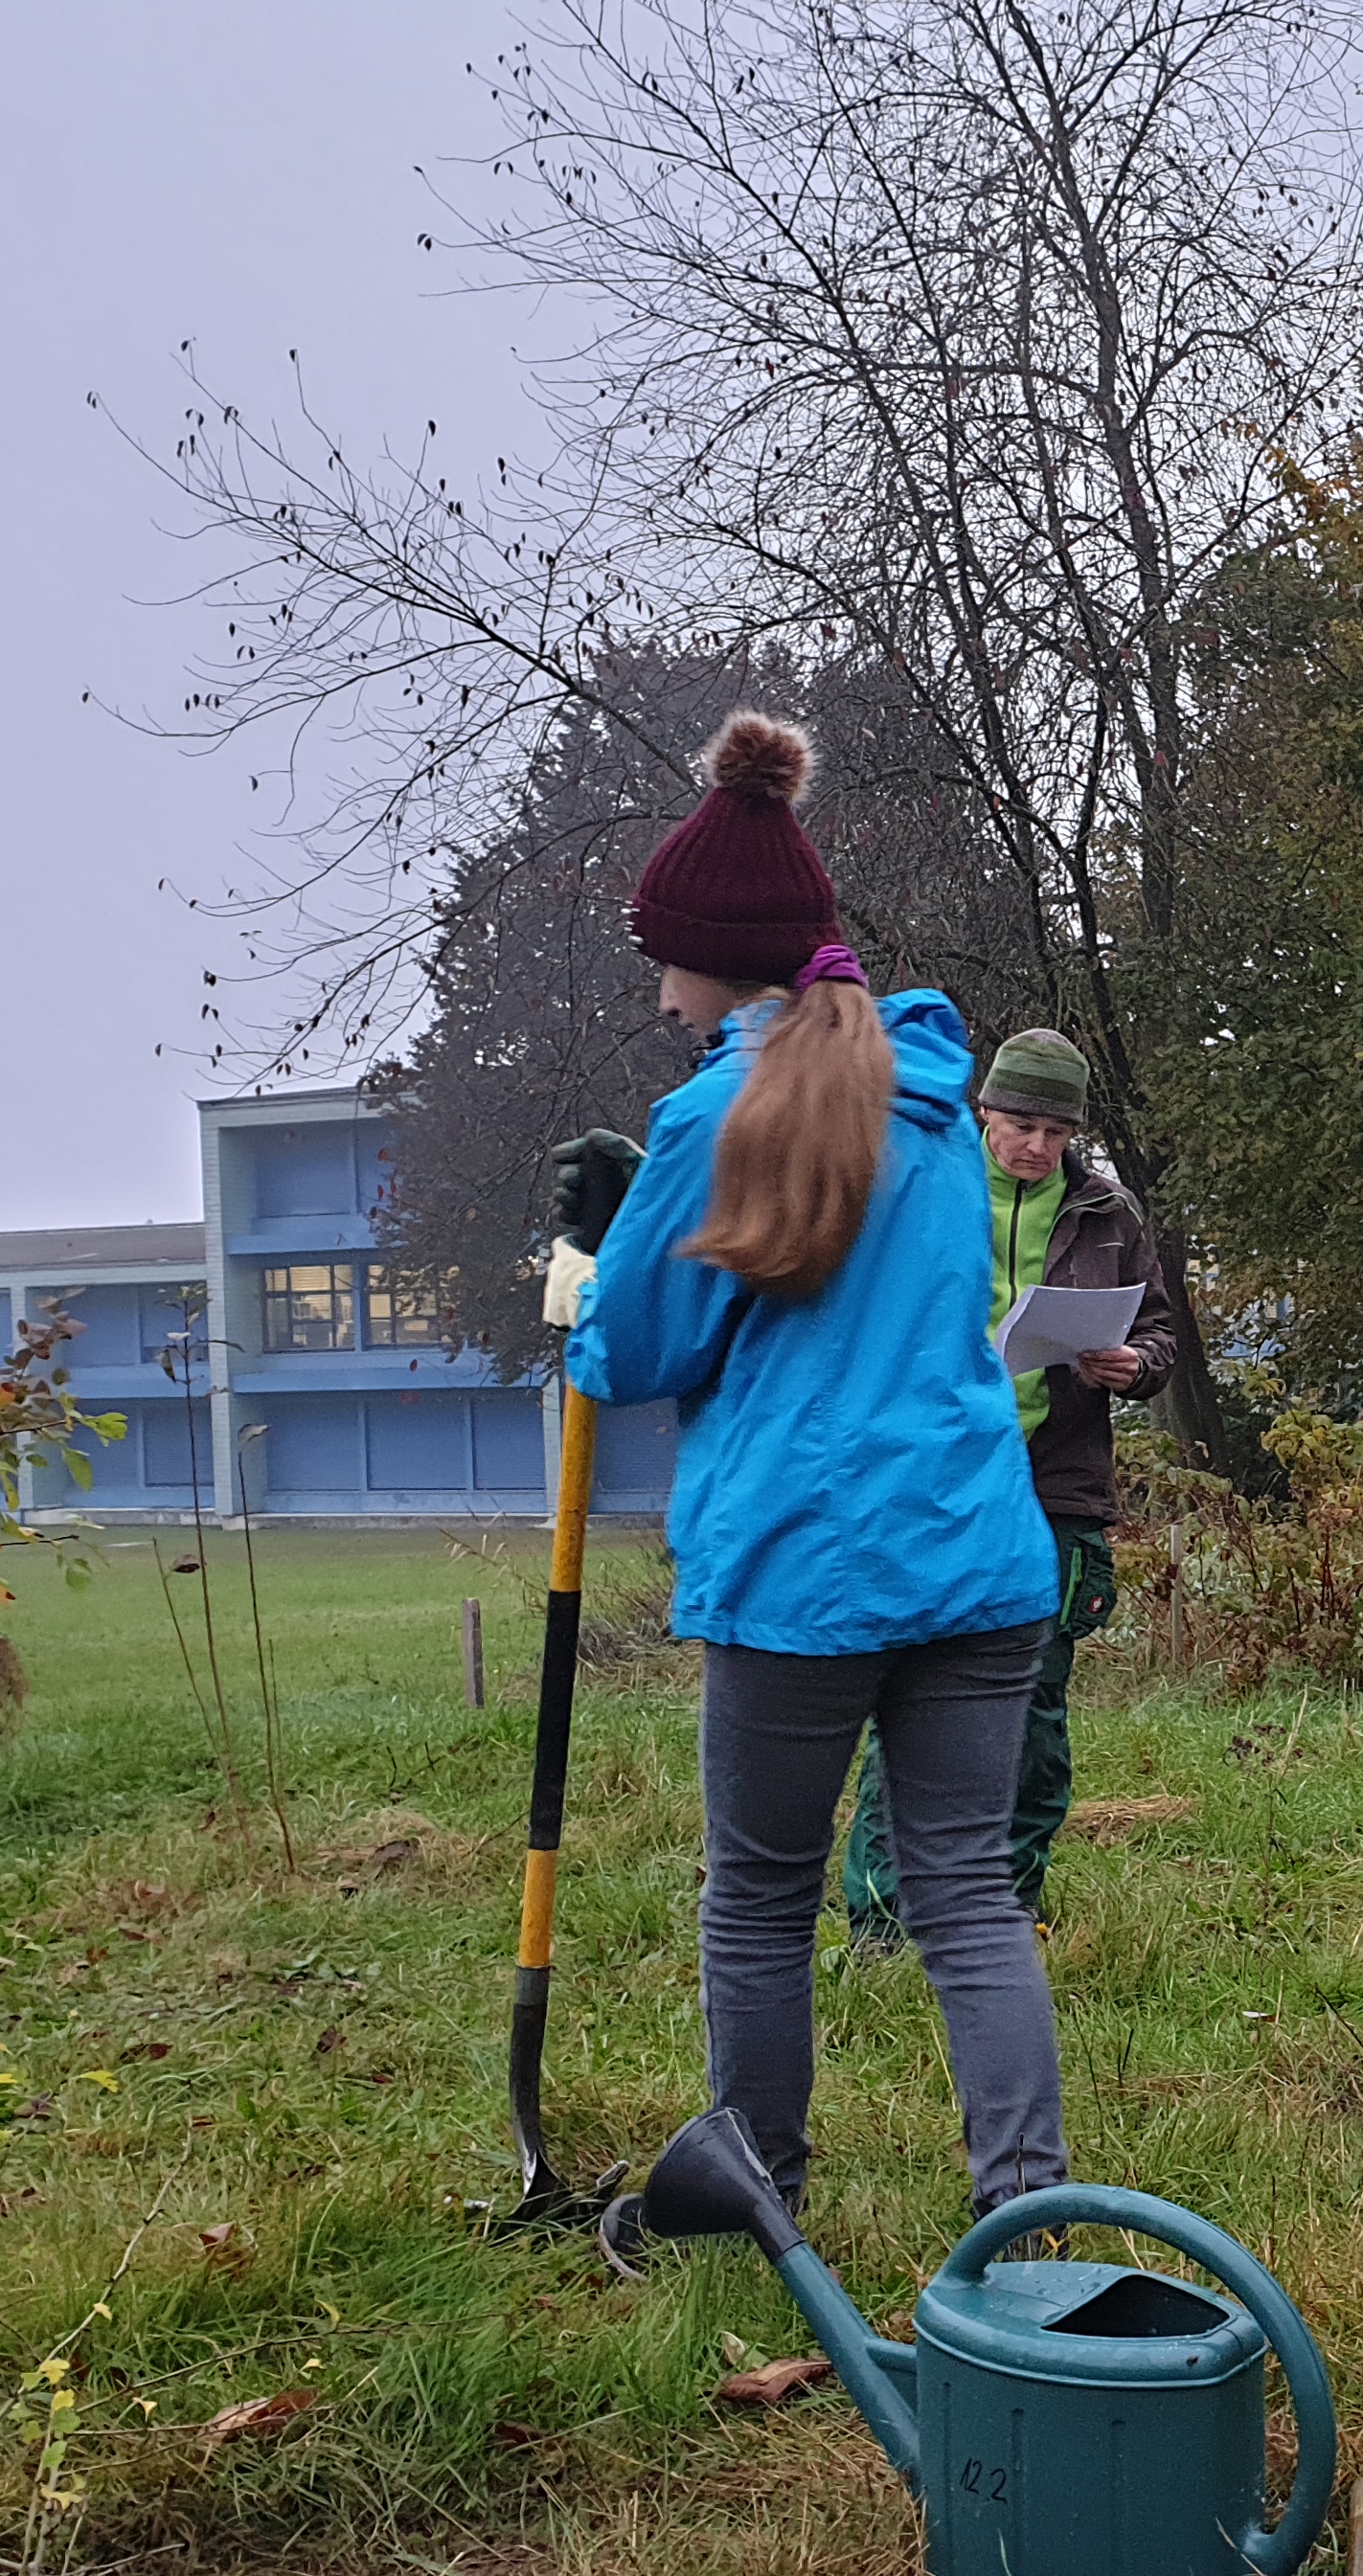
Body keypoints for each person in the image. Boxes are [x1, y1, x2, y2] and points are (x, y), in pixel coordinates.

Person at [553, 711, 1068, 2229]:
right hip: (978, 1553)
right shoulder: (936, 1111)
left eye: (671, 958)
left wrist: (586, 1256)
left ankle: (755, 2199)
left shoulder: (717, 1115)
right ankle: (1025, 2221)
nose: (659, 989)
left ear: (727, 960)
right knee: (969, 1897)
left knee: (761, 1903)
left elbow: (634, 1352)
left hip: (802, 1571)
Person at [841, 1026, 1178, 1941]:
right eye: (1022, 1123)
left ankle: (1012, 1904)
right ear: (984, 1111)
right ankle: (879, 1919)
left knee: (1033, 1713)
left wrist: (1133, 1367)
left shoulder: (1109, 1214)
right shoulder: (919, 1191)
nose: (1037, 1146)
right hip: (932, 1484)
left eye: (1057, 1132)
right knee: (908, 1701)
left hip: (1054, 1489)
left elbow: (1159, 1334)